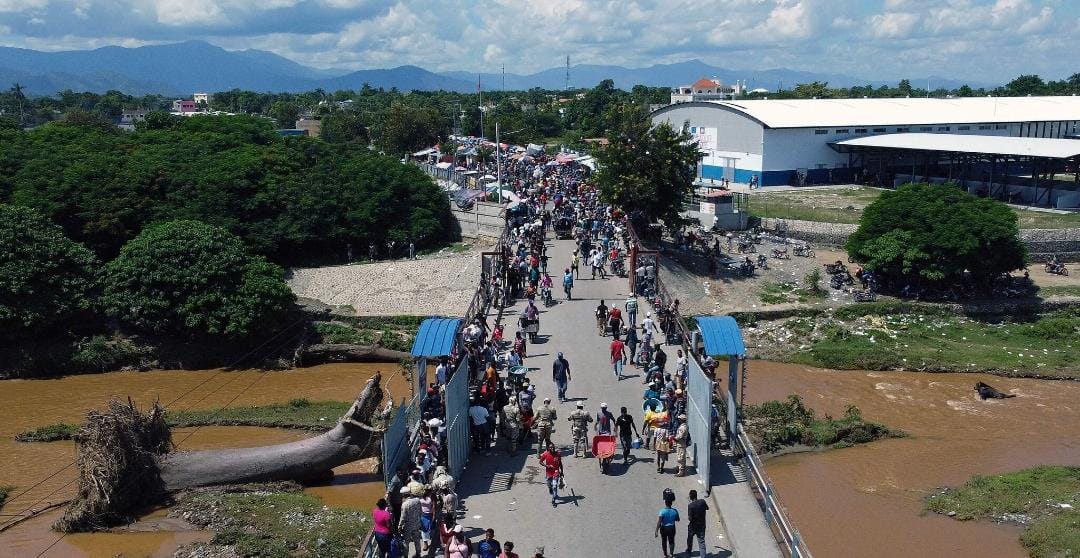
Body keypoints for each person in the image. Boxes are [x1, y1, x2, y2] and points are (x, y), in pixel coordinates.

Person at [398, 487, 423, 558]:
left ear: (404, 495)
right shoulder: (417, 500)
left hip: (408, 526)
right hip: (416, 524)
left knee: (406, 542)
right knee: (417, 540)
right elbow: (421, 512)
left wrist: (399, 527)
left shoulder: (405, 504)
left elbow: (403, 518)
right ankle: (418, 554)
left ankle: (406, 556)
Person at [538, 441, 564, 507]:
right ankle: (550, 488)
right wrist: (547, 466)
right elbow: (540, 462)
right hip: (548, 473)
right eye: (551, 448)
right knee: (549, 485)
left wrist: (562, 472)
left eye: (553, 447)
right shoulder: (545, 454)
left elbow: (560, 463)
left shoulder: (558, 454)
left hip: (556, 472)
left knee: (555, 486)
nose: (552, 448)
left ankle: (553, 500)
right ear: (548, 448)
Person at [655, 493, 681, 558]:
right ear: (671, 503)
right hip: (672, 528)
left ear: (665, 503)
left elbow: (659, 522)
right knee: (671, 541)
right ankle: (671, 554)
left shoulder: (662, 511)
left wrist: (656, 531)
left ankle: (665, 555)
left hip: (664, 528)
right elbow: (678, 519)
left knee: (664, 541)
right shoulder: (675, 511)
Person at [686, 489, 710, 558]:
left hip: (693, 526)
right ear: (696, 495)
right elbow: (707, 508)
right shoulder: (702, 501)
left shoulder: (690, 506)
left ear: (690, 497)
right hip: (702, 525)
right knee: (701, 542)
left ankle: (689, 551)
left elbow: (690, 518)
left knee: (690, 538)